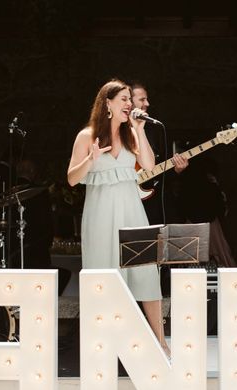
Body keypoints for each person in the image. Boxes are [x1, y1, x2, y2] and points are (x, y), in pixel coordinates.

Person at [67, 79, 168, 355]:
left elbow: (149, 165)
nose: (129, 104)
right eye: (123, 99)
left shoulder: (131, 135)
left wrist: (139, 129)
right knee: (104, 274)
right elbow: (72, 179)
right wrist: (91, 159)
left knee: (146, 271)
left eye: (129, 99)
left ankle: (160, 343)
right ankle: (102, 344)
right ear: (107, 103)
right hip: (100, 216)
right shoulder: (87, 136)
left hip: (131, 212)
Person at [130, 82, 188, 226]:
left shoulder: (153, 130)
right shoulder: (115, 131)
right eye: (142, 99)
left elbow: (159, 169)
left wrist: (176, 170)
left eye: (147, 99)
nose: (147, 103)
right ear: (128, 102)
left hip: (151, 203)